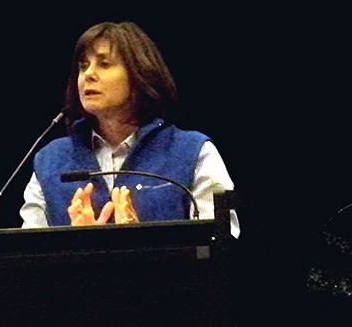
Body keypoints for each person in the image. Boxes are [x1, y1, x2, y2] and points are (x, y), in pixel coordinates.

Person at [19, 21, 238, 236]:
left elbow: (220, 245)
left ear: (139, 74)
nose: (88, 75)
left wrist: (139, 241)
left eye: (104, 64)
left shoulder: (194, 151)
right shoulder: (50, 160)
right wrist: (78, 245)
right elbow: (27, 256)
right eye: (83, 66)